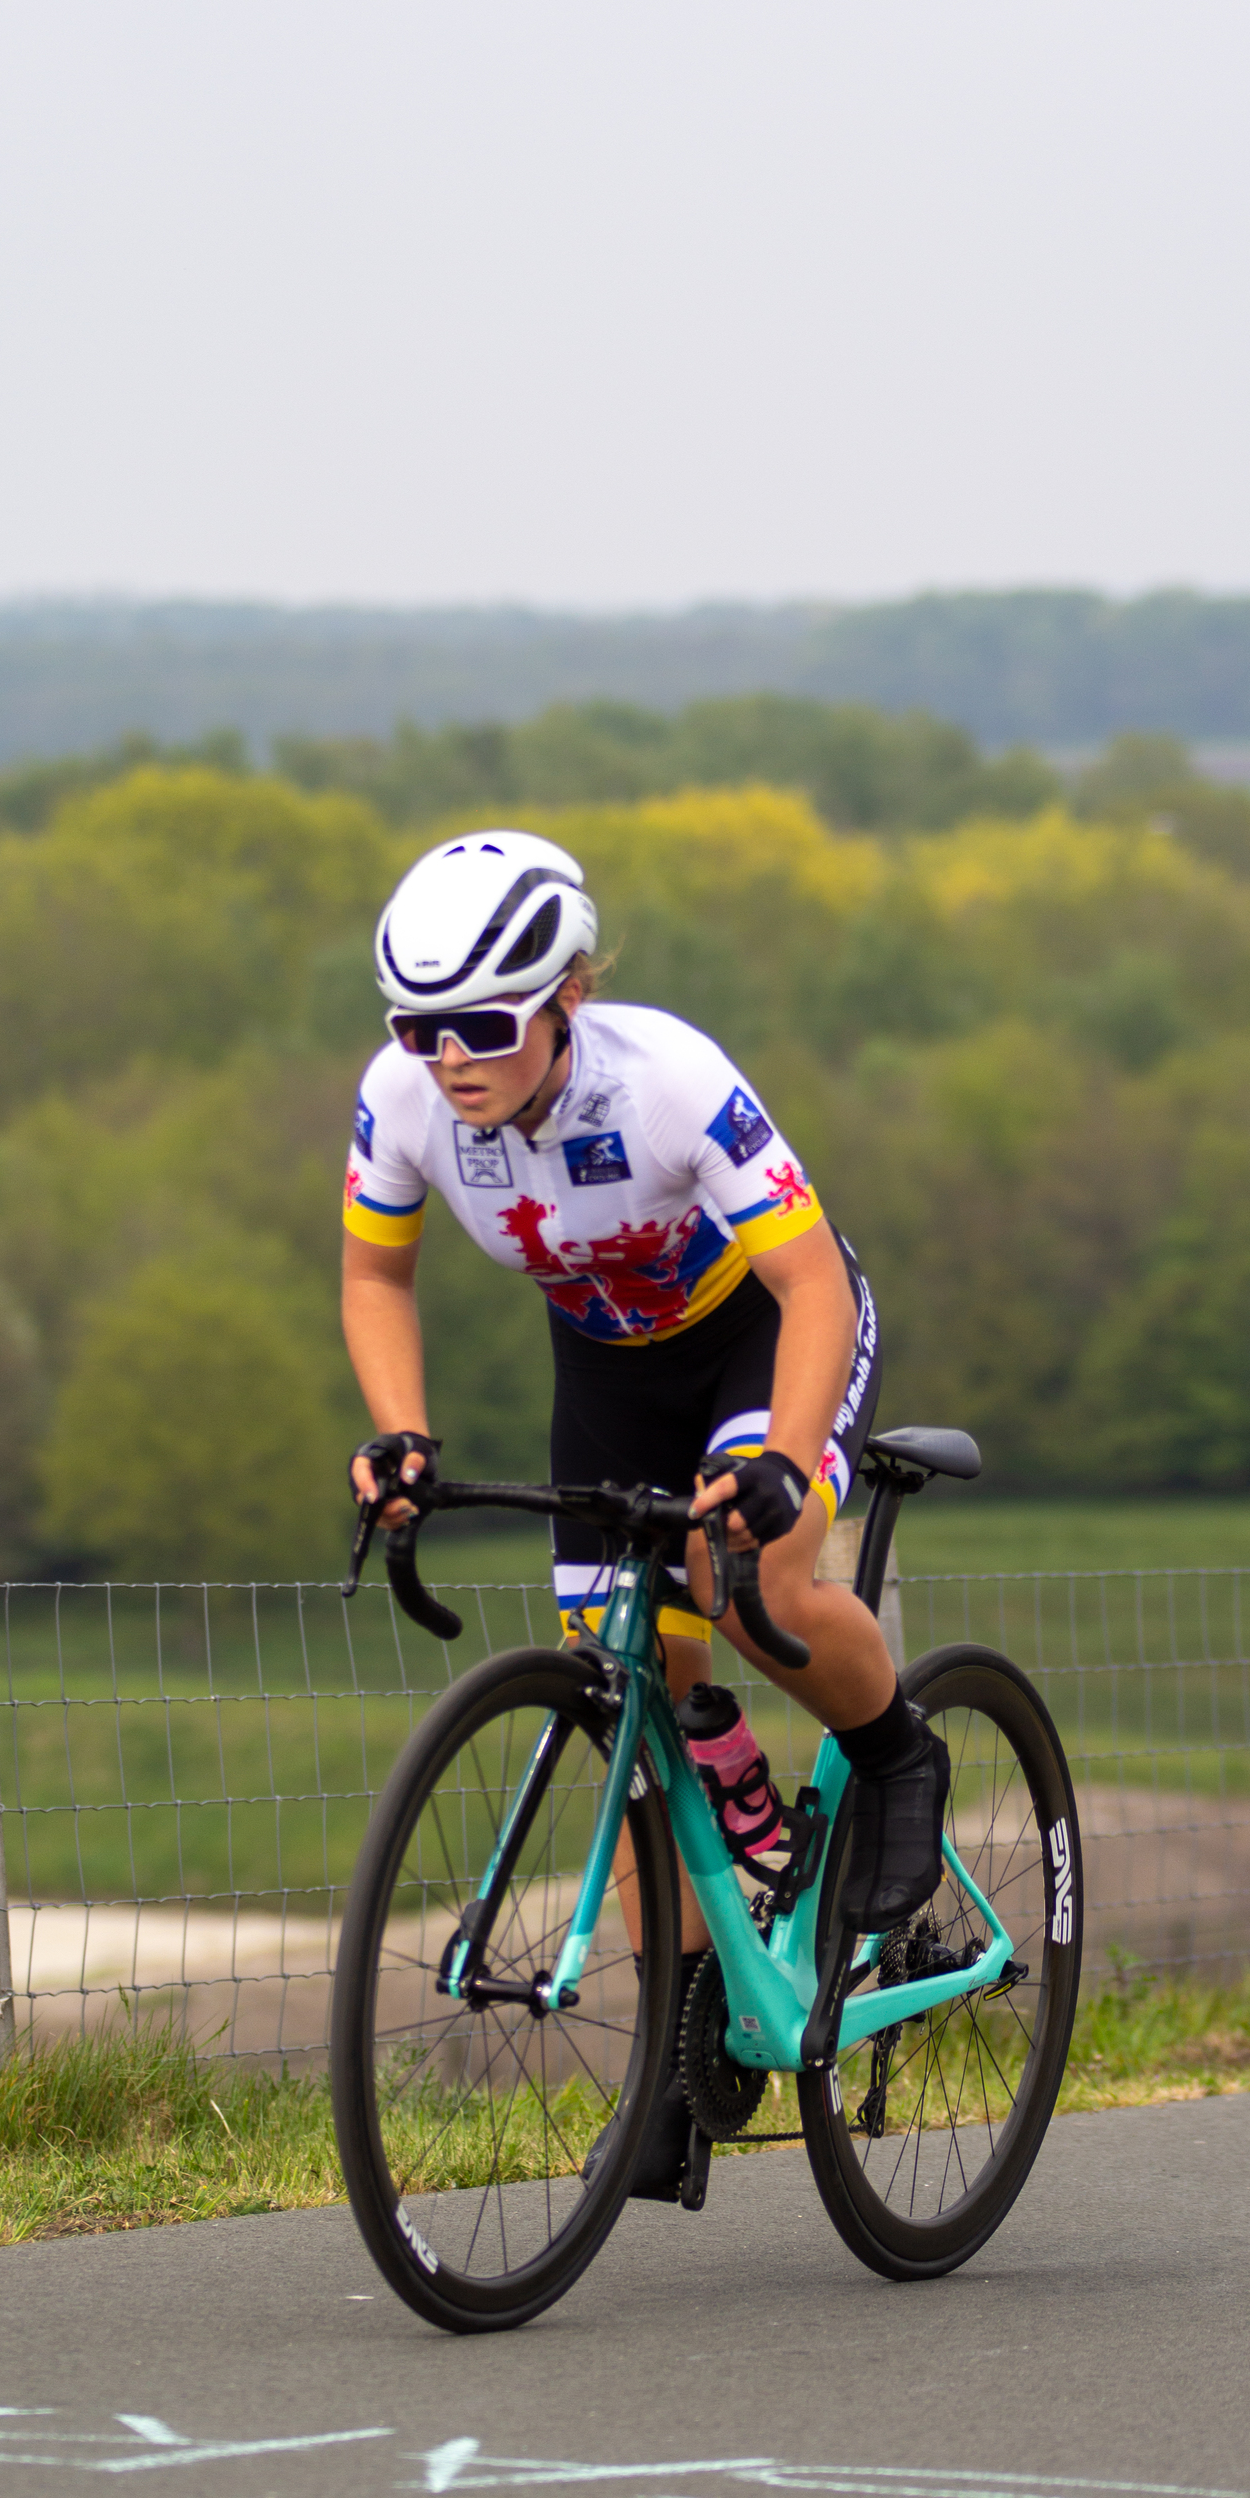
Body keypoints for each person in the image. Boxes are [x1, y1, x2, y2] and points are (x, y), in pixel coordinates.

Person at [341, 829, 949, 2197]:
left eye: (483, 1025)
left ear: (565, 998)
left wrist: (787, 1462)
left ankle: (899, 1754)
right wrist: (402, 1434)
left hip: (761, 1337)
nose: (450, 1057)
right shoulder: (406, 1101)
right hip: (609, 1372)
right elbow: (377, 1281)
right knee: (634, 1685)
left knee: (761, 1585)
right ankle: (685, 2028)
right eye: (419, 1026)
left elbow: (813, 1292)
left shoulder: (668, 1079)